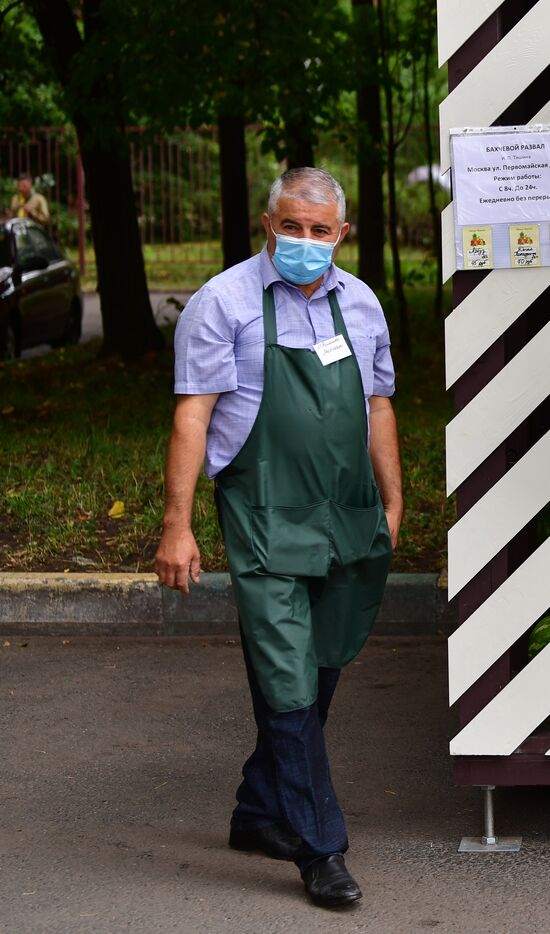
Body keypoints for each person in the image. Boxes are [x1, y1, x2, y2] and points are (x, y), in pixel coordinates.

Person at [155, 166, 401, 909]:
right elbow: (192, 417)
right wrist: (179, 524)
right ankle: (319, 847)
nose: (304, 240)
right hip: (262, 513)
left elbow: (379, 406)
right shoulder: (223, 302)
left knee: (322, 667)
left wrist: (395, 498)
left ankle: (258, 811)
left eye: (319, 231)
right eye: (290, 226)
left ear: (341, 235)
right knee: (287, 676)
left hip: (347, 512)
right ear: (268, 224)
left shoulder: (360, 303)